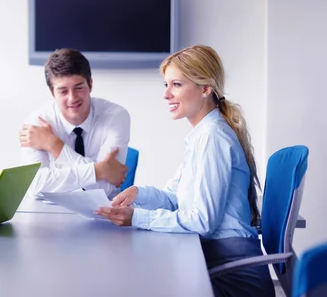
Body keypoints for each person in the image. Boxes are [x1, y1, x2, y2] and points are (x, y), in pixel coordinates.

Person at [96, 45, 274, 297]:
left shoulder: (213, 137)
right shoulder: (202, 134)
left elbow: (202, 221)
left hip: (232, 275)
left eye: (176, 84)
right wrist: (138, 193)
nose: (166, 94)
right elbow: (175, 198)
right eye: (165, 85)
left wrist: (137, 218)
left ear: (205, 88)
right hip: (215, 261)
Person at [19, 48, 131, 198]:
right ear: (52, 92)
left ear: (90, 84)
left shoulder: (116, 116)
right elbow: (35, 186)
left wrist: (54, 145)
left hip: (104, 212)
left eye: (79, 88)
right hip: (52, 212)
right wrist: (99, 171)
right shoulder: (37, 123)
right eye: (63, 91)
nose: (72, 98)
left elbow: (104, 189)